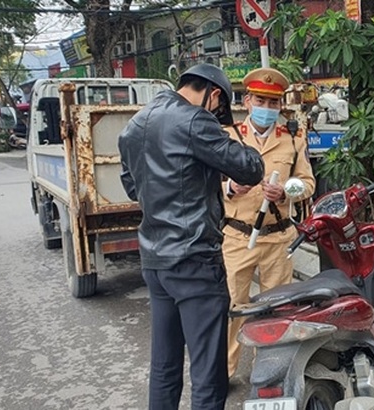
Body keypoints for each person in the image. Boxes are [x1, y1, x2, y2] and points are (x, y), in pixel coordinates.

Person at [117, 63, 265, 410]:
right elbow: (250, 167)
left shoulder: (136, 124)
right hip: (195, 262)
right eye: (218, 106)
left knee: (165, 367)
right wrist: (240, 140)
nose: (216, 114)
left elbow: (131, 187)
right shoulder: (195, 121)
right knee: (208, 375)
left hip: (156, 262)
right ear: (214, 94)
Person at [223, 67, 316, 378]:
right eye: (261, 101)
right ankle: (225, 371)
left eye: (273, 103)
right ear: (247, 101)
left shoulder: (292, 138)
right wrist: (229, 187)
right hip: (237, 238)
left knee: (277, 310)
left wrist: (285, 192)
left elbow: (307, 183)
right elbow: (205, 183)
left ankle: (271, 372)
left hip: (278, 239)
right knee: (233, 307)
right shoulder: (230, 136)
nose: (267, 109)